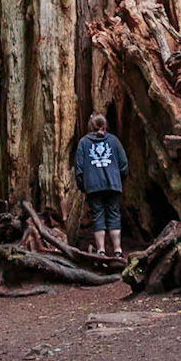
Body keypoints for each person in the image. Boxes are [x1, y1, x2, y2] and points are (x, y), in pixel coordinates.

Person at [74, 110, 129, 262]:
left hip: (93, 186)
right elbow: (123, 165)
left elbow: (79, 169)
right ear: (105, 125)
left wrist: (82, 186)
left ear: (90, 126)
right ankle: (118, 251)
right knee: (114, 215)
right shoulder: (114, 141)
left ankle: (101, 251)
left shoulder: (84, 143)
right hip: (113, 184)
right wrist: (119, 178)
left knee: (98, 216)